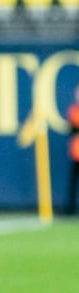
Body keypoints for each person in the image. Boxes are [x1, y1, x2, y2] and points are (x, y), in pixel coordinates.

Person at [66, 84, 79, 216]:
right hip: (76, 152)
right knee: (73, 181)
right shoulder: (74, 111)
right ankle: (70, 209)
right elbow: (72, 128)